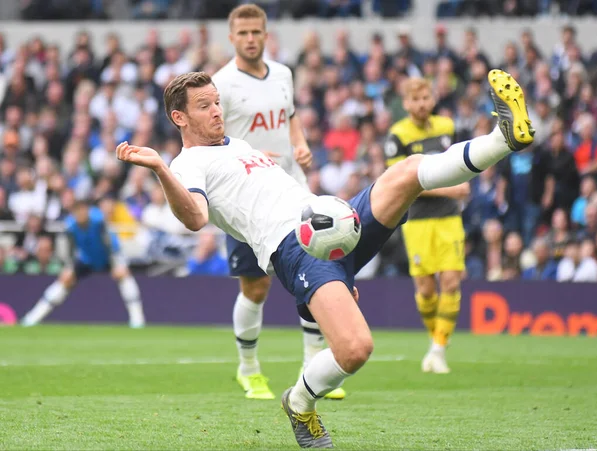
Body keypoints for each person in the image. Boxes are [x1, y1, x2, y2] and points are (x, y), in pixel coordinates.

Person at [116, 69, 534, 448]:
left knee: (407, 172)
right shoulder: (187, 163)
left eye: (217, 102)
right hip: (297, 248)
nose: (216, 112)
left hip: (334, 221)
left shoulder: (238, 144)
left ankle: (504, 138)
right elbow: (195, 217)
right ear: (179, 118)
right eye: (204, 106)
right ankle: (299, 404)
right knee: (355, 349)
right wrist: (158, 167)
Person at [210, 4, 344, 401]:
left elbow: (291, 116)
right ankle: (248, 368)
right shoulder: (221, 84)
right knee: (256, 287)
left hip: (292, 190)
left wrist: (300, 146)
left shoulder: (283, 73)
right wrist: (248, 155)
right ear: (231, 37)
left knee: (315, 275)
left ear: (266, 35)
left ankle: (313, 363)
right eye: (243, 33)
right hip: (246, 200)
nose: (251, 39)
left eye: (257, 32)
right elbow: (213, 139)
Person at [385, 77, 470, 374]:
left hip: (448, 217)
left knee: (450, 281)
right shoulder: (397, 135)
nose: (421, 104)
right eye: (415, 99)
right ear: (406, 103)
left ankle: (438, 349)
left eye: (426, 98)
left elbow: (459, 163)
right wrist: (453, 189)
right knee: (426, 288)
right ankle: (436, 343)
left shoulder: (447, 126)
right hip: (417, 219)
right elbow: (403, 181)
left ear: (432, 99)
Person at [21, 201, 146, 328]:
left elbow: (109, 243)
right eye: (78, 212)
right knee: (66, 278)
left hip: (107, 257)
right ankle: (32, 318)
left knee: (123, 274)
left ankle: (137, 320)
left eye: (84, 210)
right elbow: (70, 248)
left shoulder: (98, 221)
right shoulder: (70, 225)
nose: (81, 214)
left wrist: (115, 263)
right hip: (87, 259)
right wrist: (69, 266)